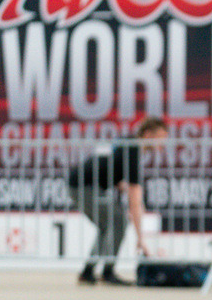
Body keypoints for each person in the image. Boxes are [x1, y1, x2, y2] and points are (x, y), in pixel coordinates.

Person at [68, 117, 168, 285]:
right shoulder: (134, 147)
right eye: (160, 137)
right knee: (119, 220)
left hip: (79, 184)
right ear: (148, 134)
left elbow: (109, 166)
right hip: (85, 186)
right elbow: (134, 198)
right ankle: (107, 271)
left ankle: (88, 271)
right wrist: (140, 238)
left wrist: (118, 183)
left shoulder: (127, 141)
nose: (163, 143)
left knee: (107, 225)